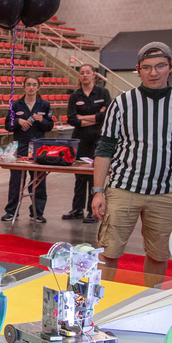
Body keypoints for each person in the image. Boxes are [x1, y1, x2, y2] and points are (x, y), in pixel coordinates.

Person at [92, 42, 172, 287]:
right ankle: (101, 304)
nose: (153, 73)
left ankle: (147, 303)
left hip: (167, 193)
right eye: (147, 67)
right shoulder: (121, 104)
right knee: (108, 251)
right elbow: (105, 148)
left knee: (159, 254)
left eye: (160, 66)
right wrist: (98, 191)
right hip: (124, 190)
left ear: (171, 67)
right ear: (138, 70)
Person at [2, 76, 54, 223]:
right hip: (20, 148)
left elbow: (50, 126)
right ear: (23, 87)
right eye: (28, 85)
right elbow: (7, 125)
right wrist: (18, 121)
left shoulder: (44, 105)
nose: (31, 87)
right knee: (16, 181)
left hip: (39, 149)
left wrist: (41, 120)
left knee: (38, 182)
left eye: (34, 85)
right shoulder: (16, 105)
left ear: (38, 87)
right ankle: (11, 212)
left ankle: (37, 212)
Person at [63, 64, 110, 223]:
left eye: (87, 72)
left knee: (94, 175)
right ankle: (77, 209)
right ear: (79, 76)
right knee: (80, 175)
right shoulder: (75, 96)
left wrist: (83, 118)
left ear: (93, 75)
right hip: (80, 139)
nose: (84, 75)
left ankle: (92, 210)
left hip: (98, 139)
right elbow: (71, 119)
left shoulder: (103, 93)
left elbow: (106, 116)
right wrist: (95, 117)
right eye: (82, 73)